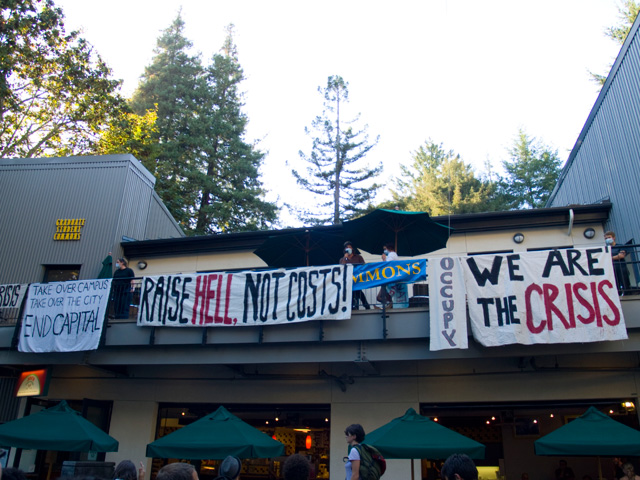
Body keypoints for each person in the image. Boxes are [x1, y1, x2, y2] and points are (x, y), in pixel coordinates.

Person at [339, 241, 370, 310]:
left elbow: (363, 266)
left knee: (358, 291)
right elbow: (341, 268)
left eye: (350, 247)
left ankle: (365, 305)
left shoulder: (358, 257)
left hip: (357, 278)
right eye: (347, 247)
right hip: (348, 279)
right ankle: (355, 306)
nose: (348, 248)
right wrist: (345, 258)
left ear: (352, 248)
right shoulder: (342, 259)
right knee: (351, 292)